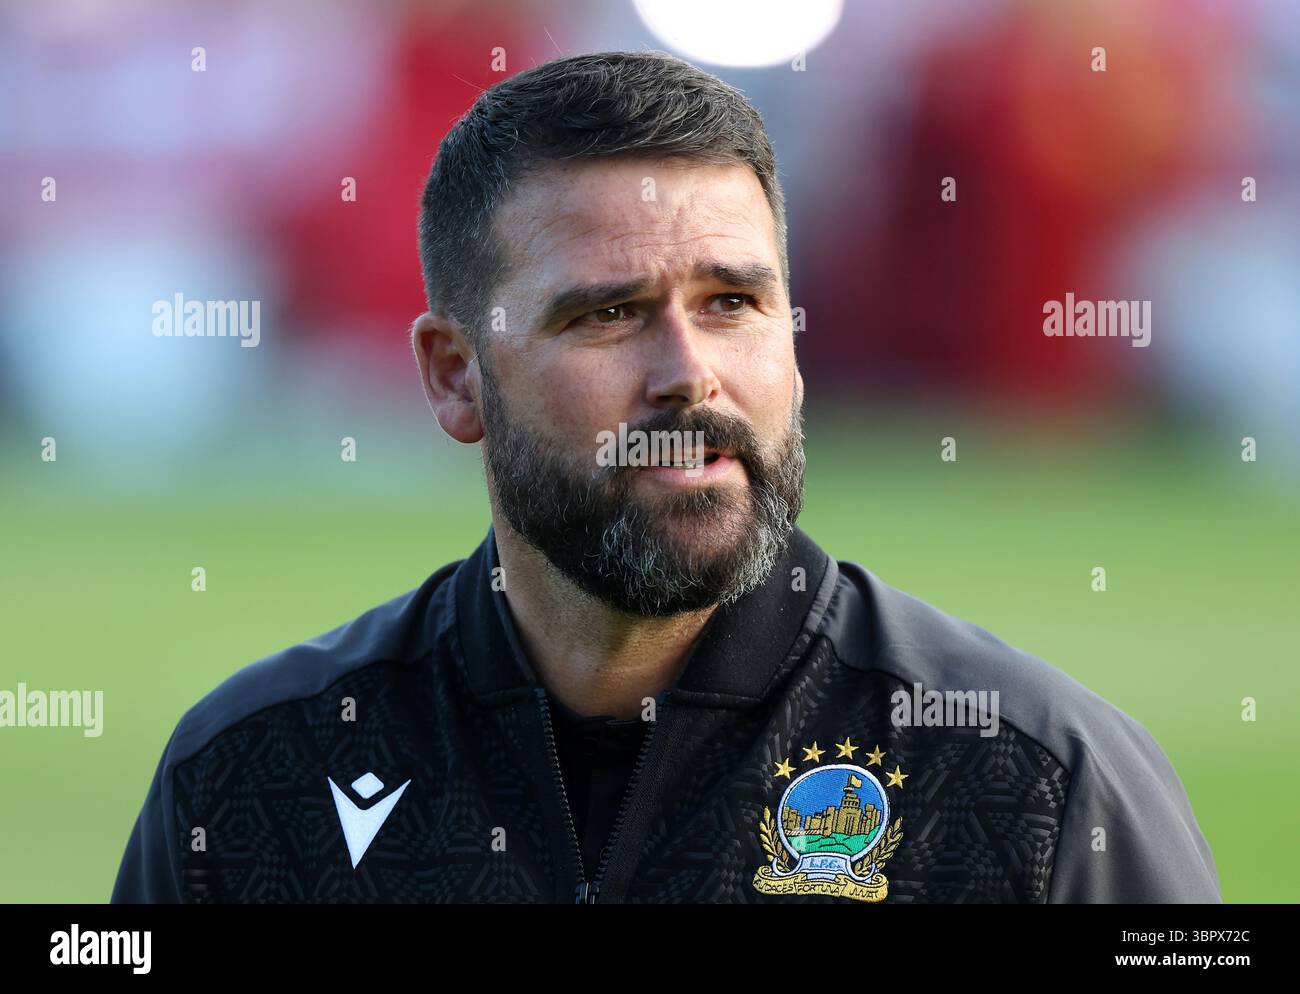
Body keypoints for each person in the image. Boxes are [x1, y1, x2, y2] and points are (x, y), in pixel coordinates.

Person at [111, 51, 1219, 904]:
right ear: (457, 378)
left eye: (731, 303)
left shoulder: (1031, 778)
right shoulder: (253, 780)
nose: (689, 376)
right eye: (607, 315)